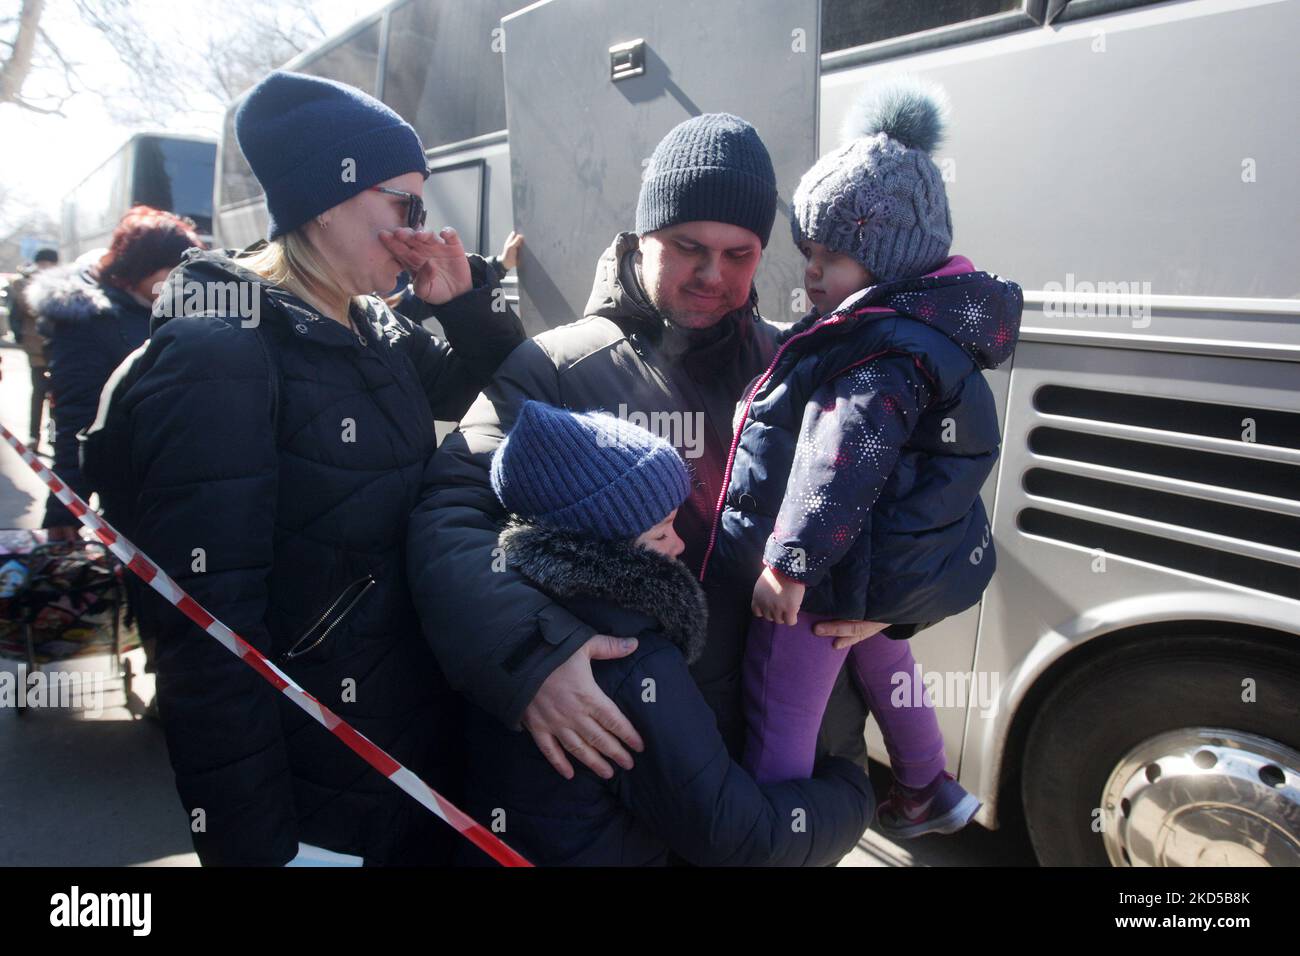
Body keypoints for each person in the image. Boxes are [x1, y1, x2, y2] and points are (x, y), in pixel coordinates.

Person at [93, 70, 525, 866]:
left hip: (401, 748)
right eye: (406, 205)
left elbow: (499, 388)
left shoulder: (370, 326)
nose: (419, 230)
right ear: (328, 199)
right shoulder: (221, 353)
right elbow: (209, 639)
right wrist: (259, 848)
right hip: (318, 795)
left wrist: (467, 302)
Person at [409, 113, 881, 815]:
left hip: (791, 744)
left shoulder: (799, 364)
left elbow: (907, 494)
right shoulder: (555, 367)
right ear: (642, 236)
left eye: (739, 254)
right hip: (630, 765)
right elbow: (448, 517)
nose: (710, 275)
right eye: (687, 246)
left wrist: (894, 603)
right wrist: (531, 659)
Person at [701, 77, 1023, 836]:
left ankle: (771, 826)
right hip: (868, 571)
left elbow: (842, 456)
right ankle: (928, 786)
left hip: (824, 571)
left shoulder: (876, 353)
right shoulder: (926, 331)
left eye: (836, 255)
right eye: (809, 250)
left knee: (780, 695)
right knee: (885, 664)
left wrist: (791, 564)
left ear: (892, 264)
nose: (812, 272)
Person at [461, 401, 874, 865]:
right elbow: (737, 836)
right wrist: (853, 790)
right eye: (660, 535)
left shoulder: (527, 609)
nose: (679, 545)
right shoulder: (628, 658)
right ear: (600, 540)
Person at [24, 212, 203, 539]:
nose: (181, 281)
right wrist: (64, 511)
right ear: (141, 265)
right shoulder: (90, 323)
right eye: (172, 270)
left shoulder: (171, 312)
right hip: (131, 500)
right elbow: (76, 419)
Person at [6, 247, 59, 451]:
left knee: (55, 398)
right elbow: (21, 311)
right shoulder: (23, 284)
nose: (46, 267)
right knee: (38, 393)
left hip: (57, 349)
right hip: (35, 348)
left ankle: (54, 437)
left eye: (50, 264)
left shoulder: (61, 285)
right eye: (43, 263)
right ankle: (33, 437)